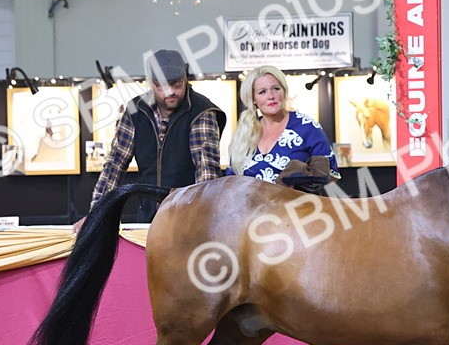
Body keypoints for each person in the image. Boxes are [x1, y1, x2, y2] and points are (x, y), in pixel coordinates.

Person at [76, 49, 226, 230]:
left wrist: (202, 220)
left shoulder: (201, 113)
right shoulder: (135, 111)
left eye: (176, 84)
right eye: (161, 86)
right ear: (150, 83)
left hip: (187, 219)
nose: (170, 92)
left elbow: (206, 172)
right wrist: (96, 215)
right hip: (147, 219)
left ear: (185, 77)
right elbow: (115, 165)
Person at [227, 64, 339, 187]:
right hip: (249, 205)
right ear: (253, 99)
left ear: (284, 91)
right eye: (262, 92)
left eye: (276, 88)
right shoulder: (244, 132)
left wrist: (300, 178)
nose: (271, 96)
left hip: (297, 205)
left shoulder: (306, 126)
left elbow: (331, 174)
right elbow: (231, 181)